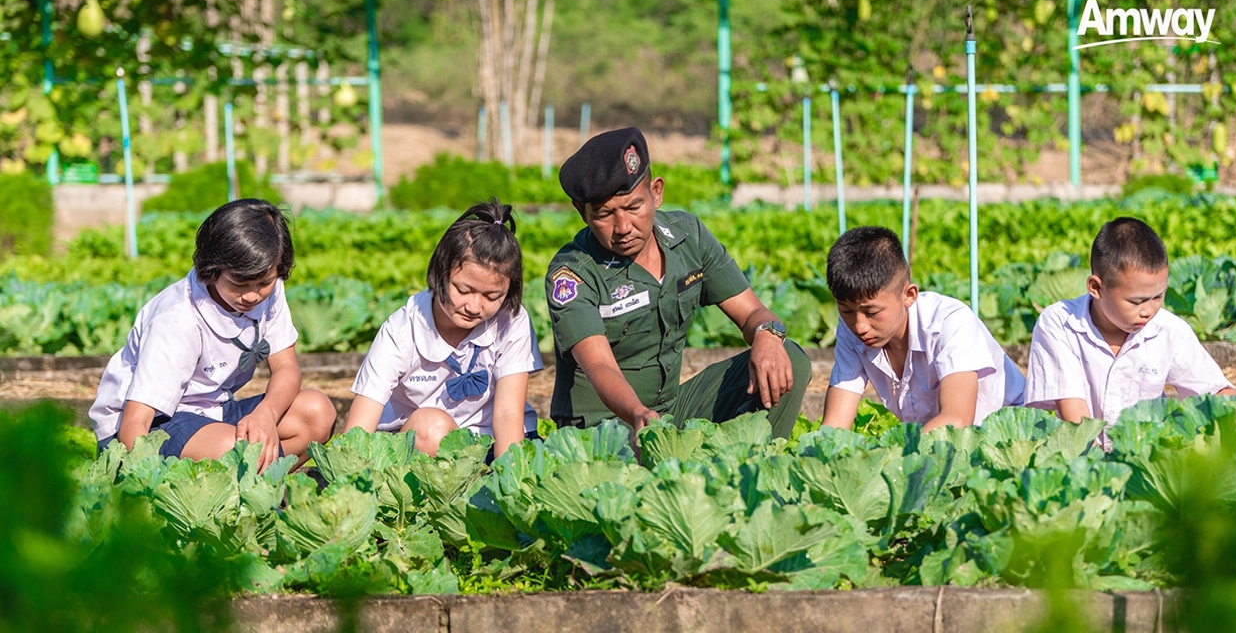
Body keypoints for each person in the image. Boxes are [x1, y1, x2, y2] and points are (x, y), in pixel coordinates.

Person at [545, 127, 811, 445]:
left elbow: (751, 311)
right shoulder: (573, 274)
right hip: (601, 428)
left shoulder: (687, 236)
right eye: (604, 215)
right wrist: (637, 414)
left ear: (656, 192)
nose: (623, 227)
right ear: (582, 212)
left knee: (789, 358)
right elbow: (600, 365)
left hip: (670, 412)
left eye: (633, 208)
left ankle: (759, 470)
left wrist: (767, 336)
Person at [90, 198, 336, 472]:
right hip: (155, 423)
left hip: (215, 412)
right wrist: (143, 480)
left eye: (264, 283)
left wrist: (267, 414)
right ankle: (240, 483)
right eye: (239, 284)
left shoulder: (269, 288)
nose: (253, 295)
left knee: (318, 413)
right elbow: (135, 423)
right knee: (236, 453)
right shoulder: (177, 320)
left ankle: (252, 482)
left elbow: (286, 368)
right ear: (211, 269)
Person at [343, 200, 542, 460]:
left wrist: (508, 483)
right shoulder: (403, 328)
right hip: (418, 445)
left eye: (492, 296)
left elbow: (508, 416)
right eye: (463, 290)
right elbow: (361, 424)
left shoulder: (512, 321)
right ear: (440, 272)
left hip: (494, 444)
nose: (474, 306)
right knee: (430, 427)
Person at [1025, 216, 1236, 442]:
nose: (1148, 310)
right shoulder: (1060, 323)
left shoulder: (1170, 330)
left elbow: (1215, 394)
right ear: (1096, 287)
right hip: (1083, 460)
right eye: (1136, 302)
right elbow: (1075, 420)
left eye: (1158, 296)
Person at [821, 226, 1025, 431]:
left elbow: (956, 420)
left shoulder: (950, 322)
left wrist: (898, 456)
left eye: (872, 313)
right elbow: (835, 424)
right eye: (845, 311)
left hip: (1011, 435)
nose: (860, 326)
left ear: (909, 295)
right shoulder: (851, 330)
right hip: (934, 444)